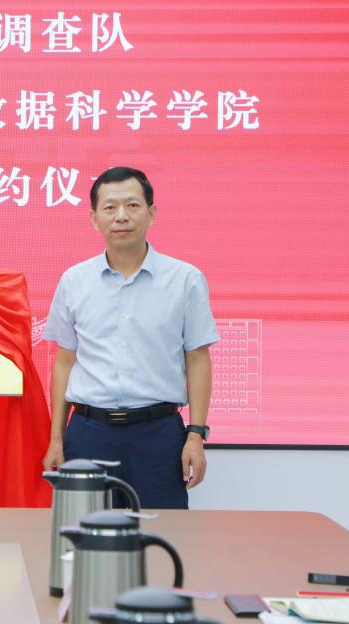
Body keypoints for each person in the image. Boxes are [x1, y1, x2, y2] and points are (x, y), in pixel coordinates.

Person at [41, 167, 218, 509]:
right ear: (94, 218)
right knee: (81, 533)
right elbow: (64, 362)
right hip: (89, 434)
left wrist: (196, 435)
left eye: (133, 205)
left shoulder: (185, 280)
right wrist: (56, 439)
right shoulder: (74, 281)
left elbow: (198, 360)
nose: (121, 216)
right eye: (110, 207)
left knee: (163, 533)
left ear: (151, 213)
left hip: (158, 434)